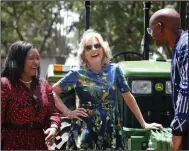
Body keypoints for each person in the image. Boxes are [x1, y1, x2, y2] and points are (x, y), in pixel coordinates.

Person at [53, 29, 163, 150]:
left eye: (97, 45)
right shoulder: (77, 73)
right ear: (84, 54)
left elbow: (128, 97)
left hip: (110, 129)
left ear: (103, 49)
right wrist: (68, 113)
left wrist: (143, 124)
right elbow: (53, 92)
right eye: (88, 47)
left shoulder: (115, 70)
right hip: (85, 130)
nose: (94, 49)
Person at [1, 41, 61, 150]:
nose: (37, 62)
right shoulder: (5, 85)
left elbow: (53, 113)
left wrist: (53, 127)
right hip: (13, 145)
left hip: (39, 145)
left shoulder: (44, 85)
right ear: (19, 60)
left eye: (38, 58)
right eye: (31, 58)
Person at [148, 8, 188, 150]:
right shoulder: (181, 46)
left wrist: (177, 131)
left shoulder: (185, 46)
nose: (151, 35)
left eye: (150, 30)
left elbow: (186, 89)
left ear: (159, 27)